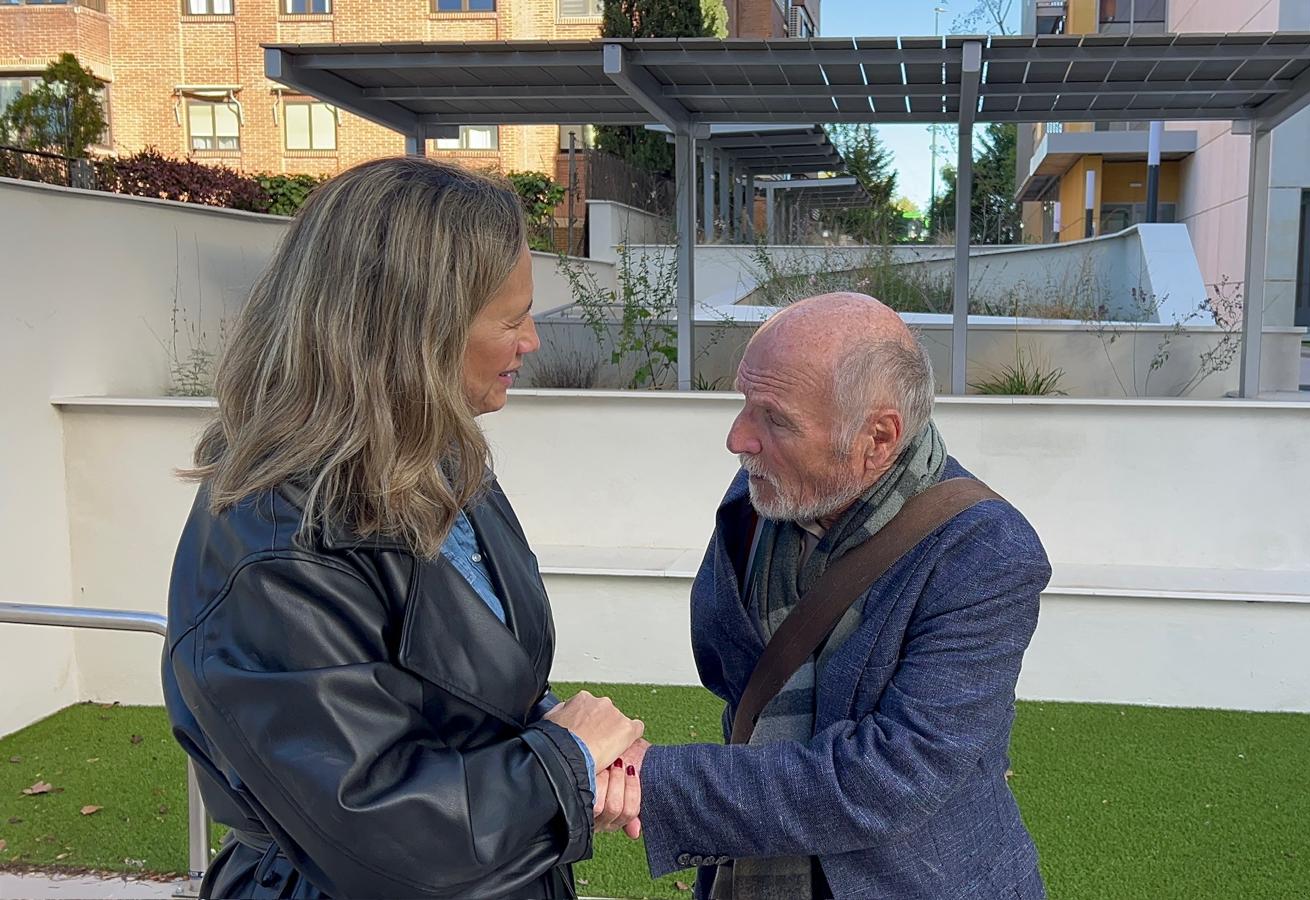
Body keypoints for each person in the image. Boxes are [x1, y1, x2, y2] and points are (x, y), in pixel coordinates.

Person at [162, 157, 644, 899]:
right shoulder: (273, 544)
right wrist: (564, 760)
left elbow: (459, 688)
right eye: (512, 319)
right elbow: (374, 837)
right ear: (415, 331)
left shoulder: (444, 465)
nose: (532, 341)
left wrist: (570, 744)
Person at [628, 293, 1052, 899]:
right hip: (748, 869)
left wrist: (646, 779)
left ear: (878, 437)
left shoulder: (984, 551)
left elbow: (892, 776)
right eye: (744, 403)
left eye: (775, 419)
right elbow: (730, 670)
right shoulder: (762, 499)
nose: (738, 438)